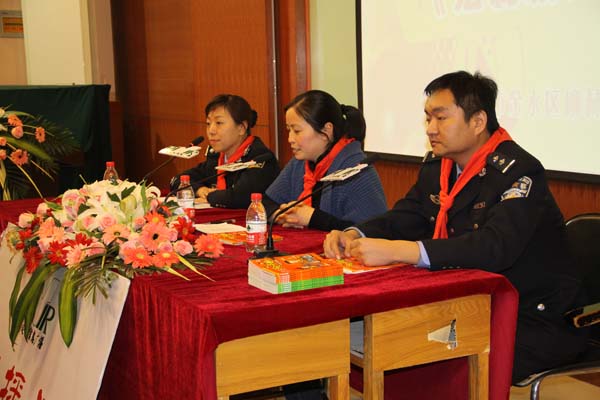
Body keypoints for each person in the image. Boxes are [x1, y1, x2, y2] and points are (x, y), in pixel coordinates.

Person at [323, 71, 588, 383]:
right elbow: (406, 216)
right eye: (428, 118)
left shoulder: (518, 171)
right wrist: (356, 233)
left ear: (478, 122)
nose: (430, 129)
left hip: (530, 316)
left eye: (441, 118)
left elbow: (493, 247)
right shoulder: (438, 166)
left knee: (423, 360)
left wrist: (400, 251)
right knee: (378, 343)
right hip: (468, 304)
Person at [263, 90, 387, 231]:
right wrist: (283, 215)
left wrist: (314, 218)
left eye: (297, 131)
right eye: (288, 130)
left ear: (326, 130)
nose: (290, 139)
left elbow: (372, 230)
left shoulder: (356, 169)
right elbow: (264, 203)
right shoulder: (299, 163)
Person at [171, 94, 279, 208]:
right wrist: (200, 189)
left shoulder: (260, 158)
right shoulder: (217, 157)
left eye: (219, 123)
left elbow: (240, 197)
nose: (211, 131)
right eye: (208, 123)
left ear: (241, 128)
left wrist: (210, 196)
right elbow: (177, 181)